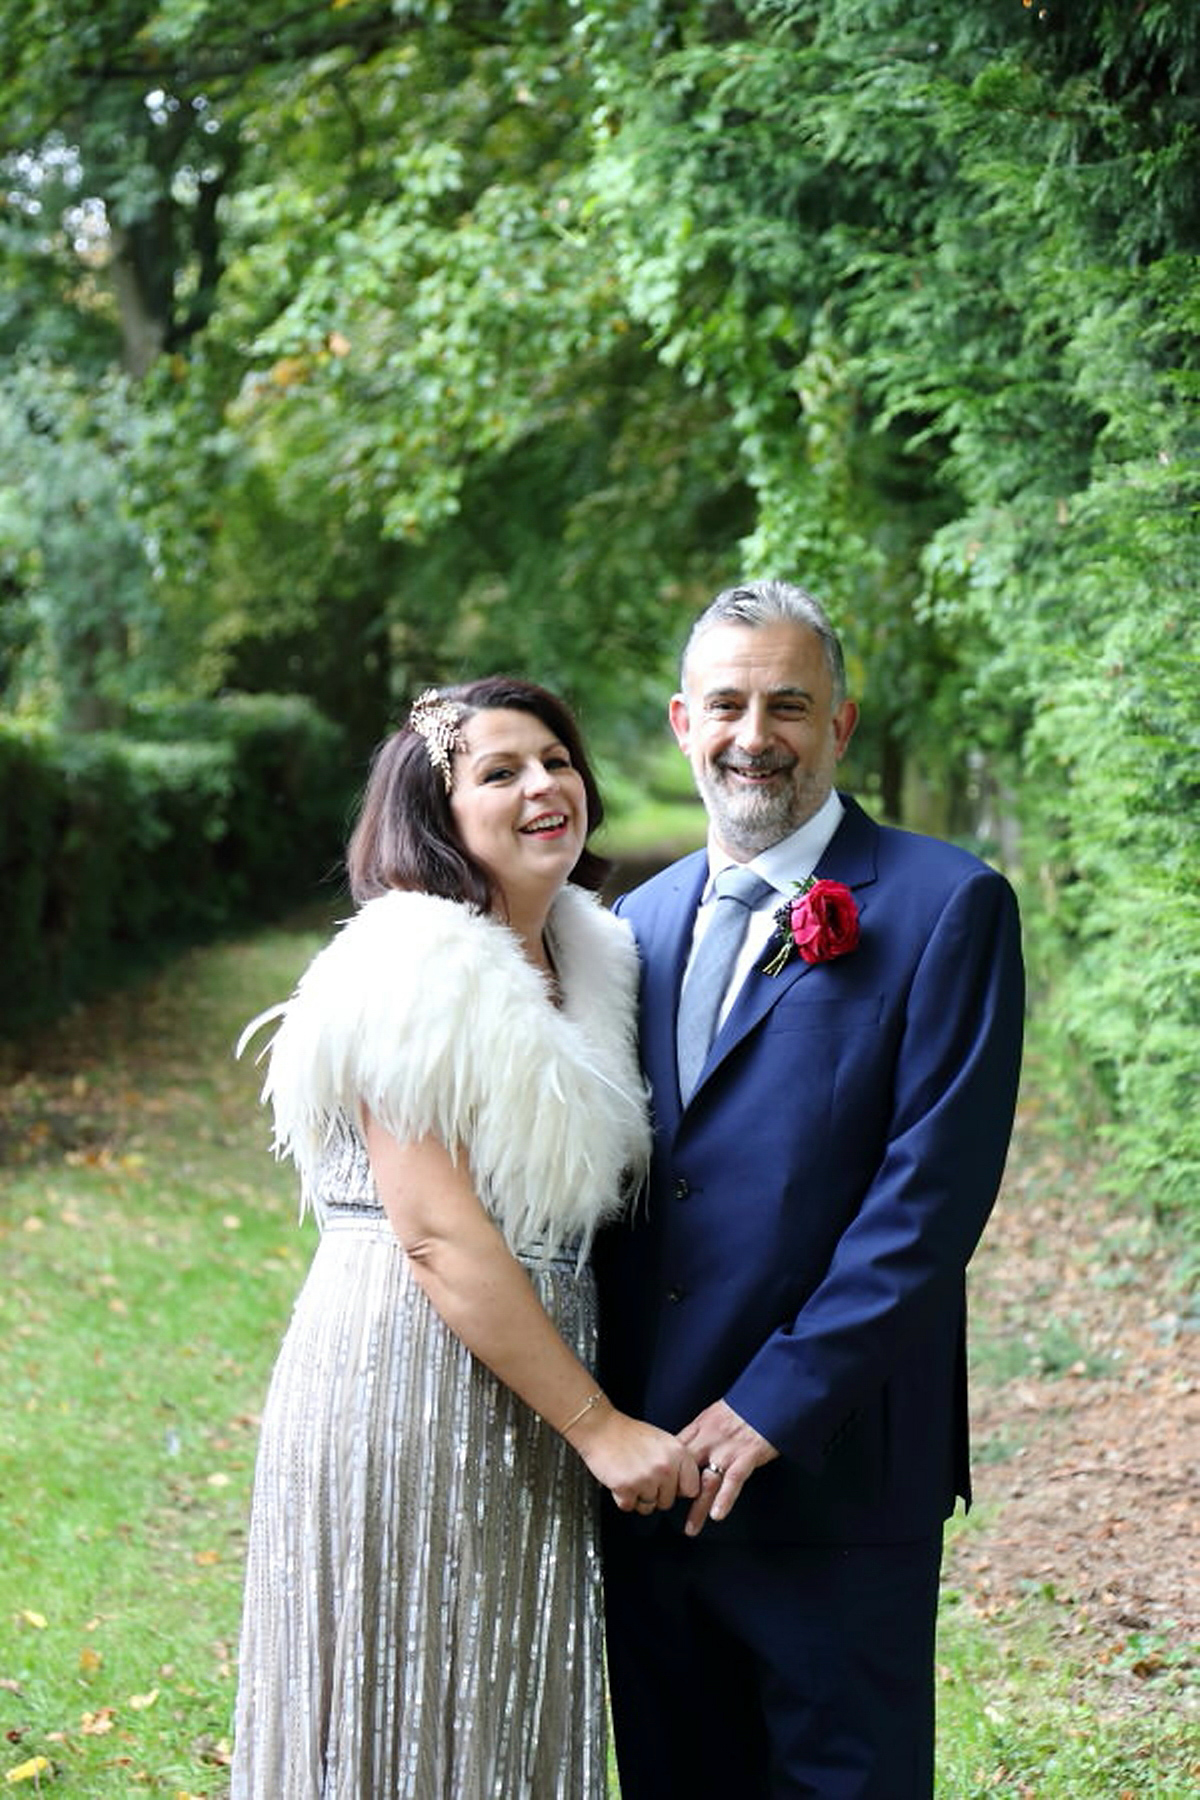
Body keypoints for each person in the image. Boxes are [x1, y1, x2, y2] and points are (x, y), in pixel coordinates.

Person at [230, 675, 699, 1799]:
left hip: (531, 1380)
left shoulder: (593, 959)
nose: (545, 786)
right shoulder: (413, 962)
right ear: (434, 816)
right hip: (405, 1371)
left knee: (506, 1697)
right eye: (499, 772)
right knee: (408, 1706)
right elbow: (436, 1232)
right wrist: (599, 1427)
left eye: (556, 759)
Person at [595, 579, 1025, 1799]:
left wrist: (777, 1402)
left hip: (835, 1463)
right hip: (653, 1469)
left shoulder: (950, 906)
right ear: (684, 721)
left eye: (790, 703)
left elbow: (930, 1199)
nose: (754, 733)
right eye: (727, 703)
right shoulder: (634, 922)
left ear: (838, 728)